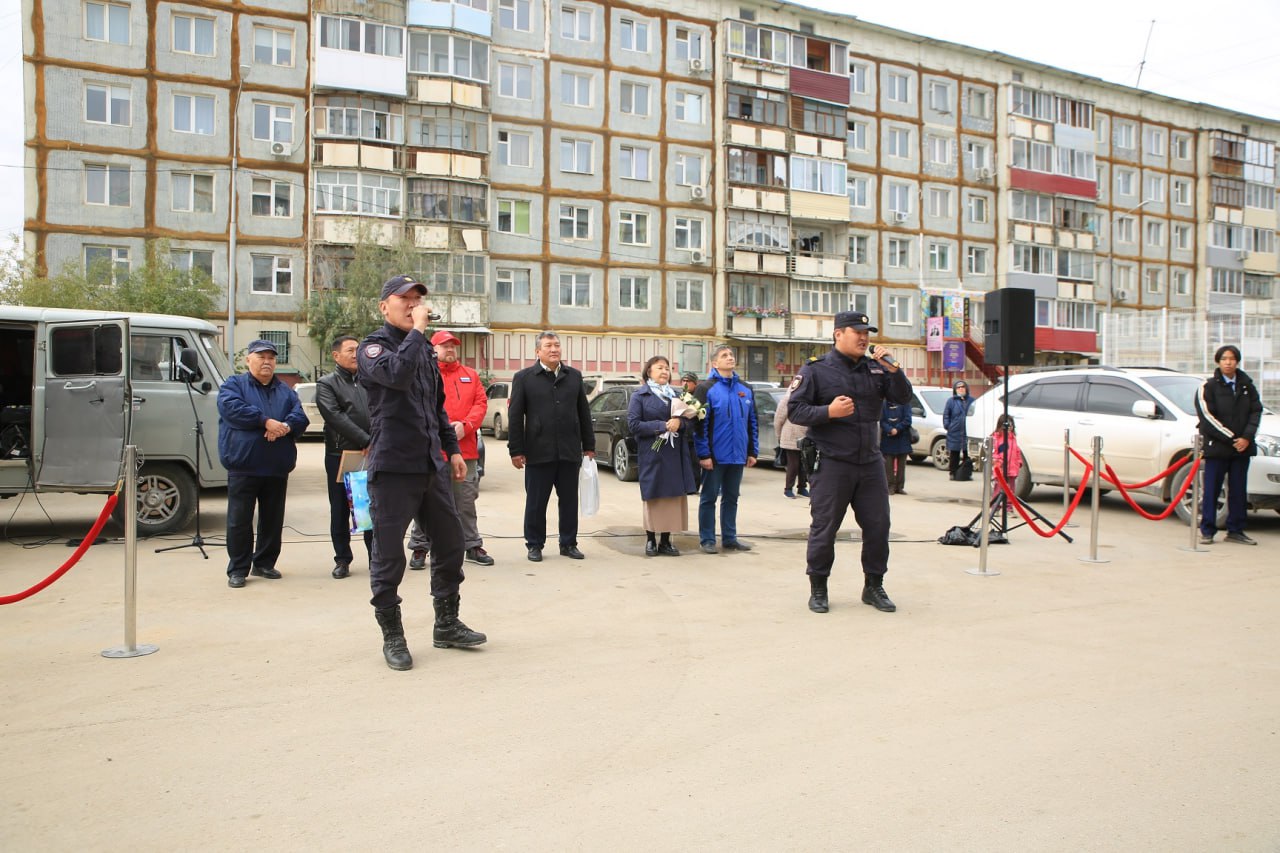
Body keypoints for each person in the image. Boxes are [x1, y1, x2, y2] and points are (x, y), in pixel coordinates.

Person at [358, 275, 485, 671]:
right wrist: (417, 332)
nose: (414, 305)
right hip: (393, 467)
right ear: (384, 307)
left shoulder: (426, 354)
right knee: (388, 555)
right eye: (405, 300)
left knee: (450, 544)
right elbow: (395, 375)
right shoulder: (372, 348)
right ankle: (393, 636)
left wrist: (451, 449)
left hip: (432, 465)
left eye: (418, 300)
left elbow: (436, 408)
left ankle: (446, 624)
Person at [788, 312, 912, 614]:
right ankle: (818, 588)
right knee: (824, 527)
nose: (864, 337)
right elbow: (796, 410)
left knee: (878, 526)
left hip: (869, 462)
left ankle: (874, 586)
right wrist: (828, 412)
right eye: (857, 332)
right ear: (838, 334)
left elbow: (904, 397)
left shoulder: (876, 368)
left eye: (866, 332)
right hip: (832, 462)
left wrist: (894, 369)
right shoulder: (816, 370)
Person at [216, 339, 309, 589]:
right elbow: (231, 409)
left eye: (271, 357)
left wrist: (284, 427)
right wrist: (264, 421)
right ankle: (238, 568)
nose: (266, 361)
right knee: (239, 520)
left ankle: (264, 563)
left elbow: (300, 416)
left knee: (272, 519)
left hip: (276, 466)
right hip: (243, 464)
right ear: (248, 360)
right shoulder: (233, 385)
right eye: (261, 356)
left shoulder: (285, 391)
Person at [407, 330, 494, 569]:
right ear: (432, 349)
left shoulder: (470, 375)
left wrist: (465, 426)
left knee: (465, 499)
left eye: (453, 346)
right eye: (444, 346)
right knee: (425, 500)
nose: (450, 350)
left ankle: (472, 545)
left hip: (464, 450)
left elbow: (480, 403)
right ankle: (420, 547)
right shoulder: (423, 375)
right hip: (431, 451)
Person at [507, 331, 596, 562]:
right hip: (538, 450)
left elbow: (583, 413)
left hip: (568, 450)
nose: (554, 349)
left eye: (557, 345)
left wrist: (589, 445)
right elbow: (515, 416)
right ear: (538, 351)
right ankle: (534, 544)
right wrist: (516, 450)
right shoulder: (524, 377)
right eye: (548, 346)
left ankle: (568, 543)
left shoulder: (574, 376)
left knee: (568, 501)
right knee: (536, 502)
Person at [627, 356, 698, 556]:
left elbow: (691, 424)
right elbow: (633, 425)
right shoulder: (640, 396)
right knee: (654, 495)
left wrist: (680, 423)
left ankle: (666, 540)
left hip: (674, 454)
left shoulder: (677, 395)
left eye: (667, 368)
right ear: (649, 371)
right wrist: (661, 426)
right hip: (653, 451)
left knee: (671, 497)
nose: (665, 371)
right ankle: (651, 539)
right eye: (660, 368)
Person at [316, 335, 373, 580]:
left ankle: (377, 558)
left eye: (358, 350)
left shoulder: (371, 381)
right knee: (340, 509)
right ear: (336, 355)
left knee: (369, 508)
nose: (355, 354)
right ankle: (342, 559)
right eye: (350, 350)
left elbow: (382, 411)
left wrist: (376, 441)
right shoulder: (327, 383)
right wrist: (365, 440)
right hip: (341, 454)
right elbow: (335, 416)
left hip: (371, 454)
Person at [1194, 345, 1263, 546]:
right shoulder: (1208, 387)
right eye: (1224, 358)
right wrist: (1233, 438)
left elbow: (1256, 411)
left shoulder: (1246, 385)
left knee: (1238, 490)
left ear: (1237, 361)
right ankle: (1207, 530)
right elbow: (1207, 417)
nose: (1228, 362)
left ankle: (1236, 529)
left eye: (1232, 359)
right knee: (1212, 490)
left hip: (1242, 447)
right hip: (1218, 447)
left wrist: (1247, 438)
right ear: (1218, 361)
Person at [693, 345, 757, 554]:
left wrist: (752, 451)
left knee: (732, 497)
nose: (730, 358)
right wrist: (704, 454)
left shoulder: (745, 389)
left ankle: (730, 538)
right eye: (724, 355)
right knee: (709, 497)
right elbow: (700, 425)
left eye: (731, 354)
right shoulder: (706, 389)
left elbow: (752, 422)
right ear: (714, 363)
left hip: (737, 455)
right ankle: (708, 539)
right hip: (715, 456)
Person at [774, 386, 809, 499]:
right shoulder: (788, 398)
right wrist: (779, 435)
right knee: (793, 464)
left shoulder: (809, 397)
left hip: (806, 435)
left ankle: (802, 487)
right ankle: (788, 489)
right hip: (791, 435)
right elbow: (779, 418)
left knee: (805, 463)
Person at [880, 398, 913, 495]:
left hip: (903, 437)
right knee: (888, 465)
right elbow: (881, 420)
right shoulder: (884, 404)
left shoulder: (905, 402)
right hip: (888, 438)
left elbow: (908, 419)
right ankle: (890, 486)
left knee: (901, 465)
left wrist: (897, 429)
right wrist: (890, 429)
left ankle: (899, 487)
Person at [943, 380, 972, 480]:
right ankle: (953, 472)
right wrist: (948, 426)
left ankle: (966, 473)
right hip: (954, 431)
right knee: (954, 454)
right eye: (958, 387)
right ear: (955, 390)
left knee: (967, 454)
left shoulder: (971, 400)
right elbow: (946, 415)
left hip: (967, 431)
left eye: (963, 387)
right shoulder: (951, 401)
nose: (961, 389)